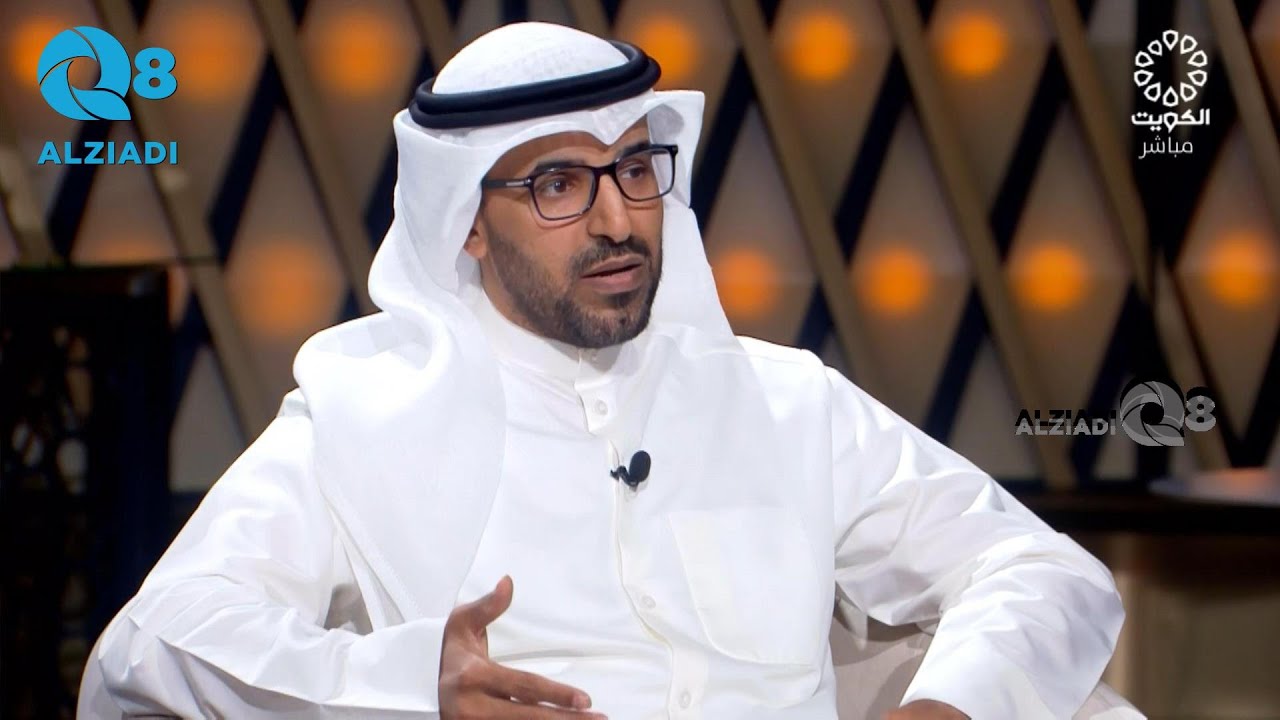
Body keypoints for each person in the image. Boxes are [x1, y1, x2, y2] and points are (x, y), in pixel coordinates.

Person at [87, 21, 1123, 720]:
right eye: (557, 184)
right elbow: (151, 645)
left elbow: (1045, 573)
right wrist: (403, 684)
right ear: (467, 225)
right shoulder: (364, 414)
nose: (619, 219)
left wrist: (946, 708)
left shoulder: (781, 401)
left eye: (633, 167)